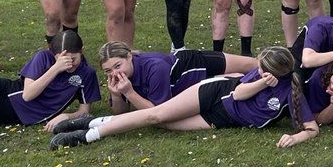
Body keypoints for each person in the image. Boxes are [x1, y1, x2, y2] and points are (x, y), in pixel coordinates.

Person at [49, 46, 318, 150]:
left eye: (263, 69)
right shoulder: (258, 76)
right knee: (156, 114)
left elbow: (311, 128)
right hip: (215, 92)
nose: (258, 70)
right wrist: (259, 82)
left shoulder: (290, 89)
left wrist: (296, 137)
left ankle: (95, 121)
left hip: (221, 119)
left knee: (162, 123)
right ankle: (85, 135)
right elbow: (238, 92)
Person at [94, 40, 255, 113]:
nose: (114, 73)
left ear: (129, 57)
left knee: (255, 65)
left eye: (117, 66)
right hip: (196, 87)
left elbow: (158, 112)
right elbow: (120, 112)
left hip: (195, 63)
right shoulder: (119, 77)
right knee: (238, 79)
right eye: (108, 71)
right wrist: (116, 95)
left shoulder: (154, 67)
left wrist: (129, 93)